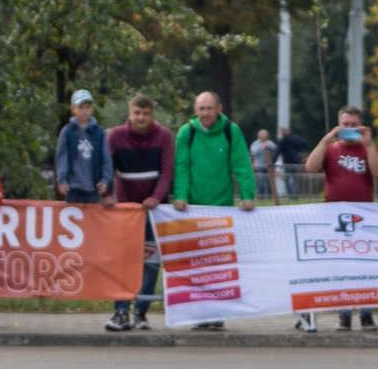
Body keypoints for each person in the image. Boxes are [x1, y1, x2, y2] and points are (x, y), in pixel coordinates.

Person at [170, 92, 259, 331]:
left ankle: (217, 312)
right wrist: (180, 196)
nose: (205, 113)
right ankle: (199, 312)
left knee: (218, 266)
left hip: (221, 210)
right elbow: (181, 167)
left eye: (209, 108)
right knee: (195, 265)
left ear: (219, 108)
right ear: (195, 110)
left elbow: (241, 165)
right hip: (192, 211)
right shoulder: (186, 133)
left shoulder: (231, 131)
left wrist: (247, 196)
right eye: (201, 109)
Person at [308, 106, 378, 331]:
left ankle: (366, 313)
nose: (349, 128)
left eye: (354, 125)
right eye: (345, 124)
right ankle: (343, 314)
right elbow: (311, 167)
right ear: (339, 124)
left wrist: (368, 143)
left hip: (364, 215)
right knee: (340, 267)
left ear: (361, 125)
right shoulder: (331, 149)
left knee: (365, 267)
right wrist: (326, 140)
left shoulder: (367, 148)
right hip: (334, 216)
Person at [105, 96, 174, 333]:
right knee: (123, 261)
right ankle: (121, 311)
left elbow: (167, 170)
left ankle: (141, 311)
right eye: (137, 113)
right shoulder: (116, 136)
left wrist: (157, 197)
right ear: (130, 113)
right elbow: (107, 168)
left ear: (152, 114)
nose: (141, 117)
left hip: (155, 211)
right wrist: (107, 194)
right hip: (126, 211)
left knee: (150, 262)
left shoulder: (163, 136)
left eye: (145, 113)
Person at [55, 91, 111, 203]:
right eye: (81, 107)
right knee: (71, 210)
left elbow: (106, 158)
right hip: (72, 185)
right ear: (73, 108)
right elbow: (62, 157)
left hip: (93, 185)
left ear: (92, 108)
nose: (85, 111)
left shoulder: (99, 132)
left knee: (91, 213)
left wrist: (105, 179)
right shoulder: (67, 131)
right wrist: (62, 179)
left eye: (88, 107)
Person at [249, 129, 279, 203]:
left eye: (264, 134)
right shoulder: (255, 144)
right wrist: (261, 147)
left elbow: (276, 149)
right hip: (259, 166)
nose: (262, 136)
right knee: (260, 182)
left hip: (269, 167)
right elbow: (253, 152)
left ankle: (270, 197)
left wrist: (267, 146)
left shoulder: (270, 143)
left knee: (270, 183)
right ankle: (261, 197)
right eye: (261, 134)